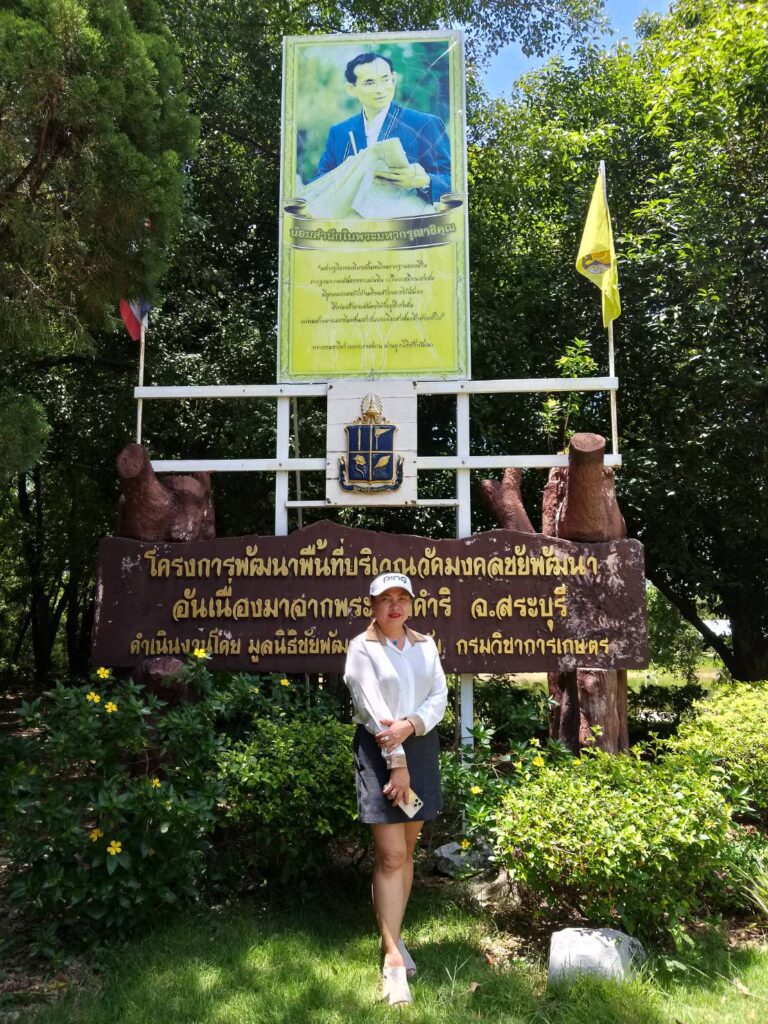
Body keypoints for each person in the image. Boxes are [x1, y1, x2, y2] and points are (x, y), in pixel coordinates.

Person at [343, 571, 448, 1006]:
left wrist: (411, 725)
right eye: (385, 598)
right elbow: (373, 710)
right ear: (372, 605)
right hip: (382, 752)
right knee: (390, 855)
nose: (395, 606)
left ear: (411, 603)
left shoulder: (425, 645)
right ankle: (392, 962)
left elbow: (438, 696)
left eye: (401, 598)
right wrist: (397, 761)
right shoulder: (361, 648)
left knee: (405, 852)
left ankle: (395, 936)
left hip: (419, 747)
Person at [311, 53, 452, 206]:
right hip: (352, 226)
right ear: (351, 89)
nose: (380, 90)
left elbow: (452, 181)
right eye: (369, 83)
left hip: (407, 226)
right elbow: (320, 182)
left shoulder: (425, 123)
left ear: (394, 78)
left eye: (385, 80)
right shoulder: (339, 132)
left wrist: (424, 181)